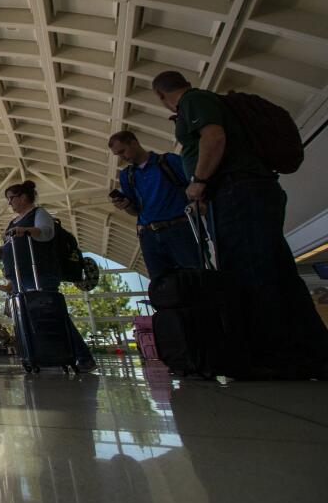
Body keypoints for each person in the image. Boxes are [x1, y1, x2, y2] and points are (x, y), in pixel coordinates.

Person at [151, 70, 328, 378]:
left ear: (162, 96)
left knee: (250, 274)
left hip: (237, 191)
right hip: (250, 190)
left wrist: (199, 182)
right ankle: (312, 353)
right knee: (279, 273)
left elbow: (213, 136)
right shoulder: (208, 101)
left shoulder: (193, 101)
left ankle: (276, 356)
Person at [0, 181, 96, 372]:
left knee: (54, 315)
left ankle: (83, 357)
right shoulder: (13, 222)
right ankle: (41, 355)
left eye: (11, 198)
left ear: (23, 197)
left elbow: (46, 233)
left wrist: (25, 231)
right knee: (30, 317)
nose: (10, 203)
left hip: (40, 273)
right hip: (20, 275)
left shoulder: (38, 214)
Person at [107, 130, 202, 280]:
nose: (122, 157)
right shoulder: (127, 175)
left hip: (178, 229)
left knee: (195, 276)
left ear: (134, 142)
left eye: (122, 151)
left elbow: (196, 185)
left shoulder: (168, 162)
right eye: (117, 154)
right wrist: (126, 205)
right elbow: (135, 210)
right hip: (148, 235)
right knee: (163, 285)